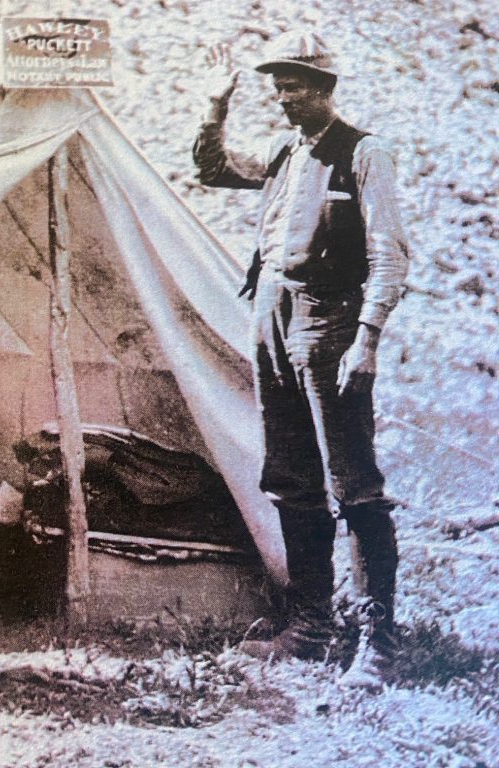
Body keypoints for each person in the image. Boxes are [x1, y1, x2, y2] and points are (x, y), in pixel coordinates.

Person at [192, 31, 410, 689]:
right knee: (289, 474)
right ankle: (313, 627)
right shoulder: (286, 149)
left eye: (297, 86)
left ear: (325, 88)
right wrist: (214, 105)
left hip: (329, 324)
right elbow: (212, 167)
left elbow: (390, 253)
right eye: (279, 87)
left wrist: (367, 338)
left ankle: (379, 643)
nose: (285, 98)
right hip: (271, 313)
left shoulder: (364, 153)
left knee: (354, 484)